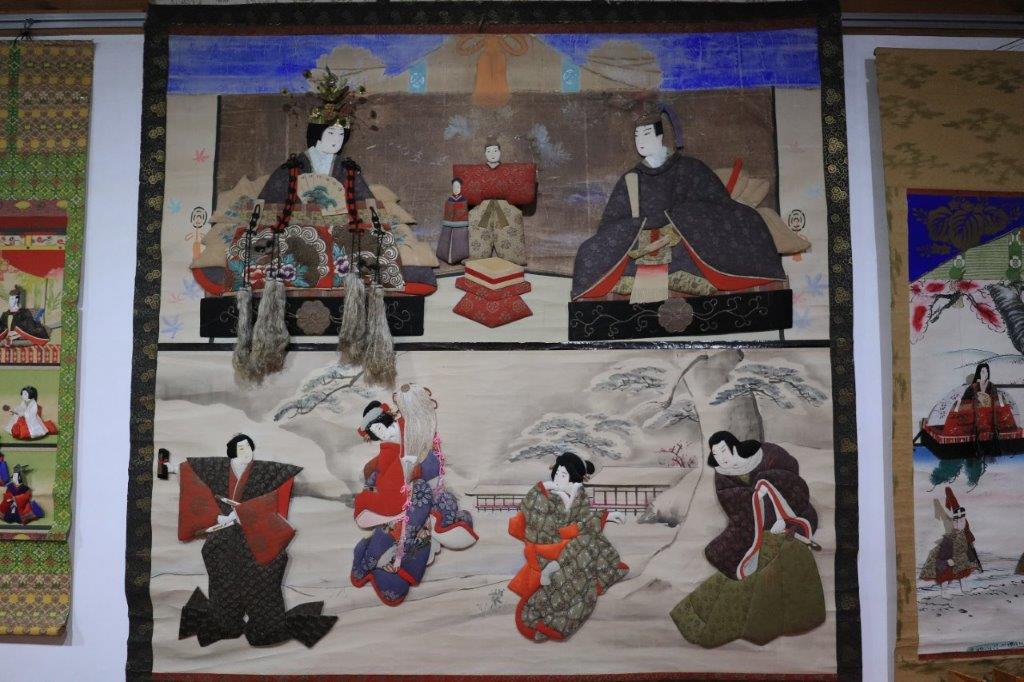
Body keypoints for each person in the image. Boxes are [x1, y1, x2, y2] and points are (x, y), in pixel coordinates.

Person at [571, 105, 787, 302]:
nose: (640, 141)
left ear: (661, 136)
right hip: (638, 243)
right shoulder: (631, 179)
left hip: (685, 240)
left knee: (745, 221)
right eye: (637, 136)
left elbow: (718, 204)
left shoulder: (691, 168)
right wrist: (637, 225)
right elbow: (612, 221)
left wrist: (680, 216)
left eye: (646, 134)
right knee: (588, 251)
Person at [177, 433, 337, 647]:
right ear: (232, 452)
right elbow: (191, 472)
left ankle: (265, 627)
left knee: (264, 581)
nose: (247, 453)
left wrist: (245, 513)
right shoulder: (216, 469)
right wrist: (217, 516)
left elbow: (274, 496)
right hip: (224, 537)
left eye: (249, 448)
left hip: (258, 536)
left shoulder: (265, 472)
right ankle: (225, 623)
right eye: (242, 448)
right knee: (223, 581)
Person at [670, 431, 825, 648]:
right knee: (745, 579)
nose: (721, 457)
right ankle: (706, 620)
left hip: (787, 526)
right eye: (716, 454)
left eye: (723, 451)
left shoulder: (766, 454)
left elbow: (791, 478)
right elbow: (734, 504)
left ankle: (796, 621)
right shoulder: (723, 475)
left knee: (792, 570)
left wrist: (769, 490)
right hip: (752, 530)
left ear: (733, 446)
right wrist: (755, 496)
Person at [508, 452, 628, 641]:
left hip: (570, 546)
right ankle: (552, 569)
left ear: (573, 477)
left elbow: (584, 520)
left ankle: (557, 574)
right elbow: (537, 518)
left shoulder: (578, 495)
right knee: (585, 541)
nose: (558, 478)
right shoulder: (546, 495)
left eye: (563, 475)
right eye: (557, 473)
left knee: (588, 540)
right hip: (547, 543)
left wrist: (606, 516)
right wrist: (543, 489)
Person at [919, 487, 982, 592]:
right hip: (951, 552)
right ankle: (945, 590)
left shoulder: (963, 526)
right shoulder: (952, 532)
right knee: (948, 570)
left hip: (962, 550)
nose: (959, 523)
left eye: (961, 521)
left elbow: (954, 504)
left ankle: (963, 586)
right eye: (957, 522)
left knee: (963, 568)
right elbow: (953, 503)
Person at [436, 178, 470, 264]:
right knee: (445, 239)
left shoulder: (464, 200)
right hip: (447, 224)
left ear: (461, 188)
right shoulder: (449, 200)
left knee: (460, 241)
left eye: (458, 187)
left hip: (461, 224)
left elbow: (463, 211)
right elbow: (447, 211)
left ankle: (460, 256)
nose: (456, 189)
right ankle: (443, 255)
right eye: (454, 187)